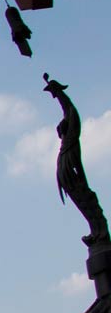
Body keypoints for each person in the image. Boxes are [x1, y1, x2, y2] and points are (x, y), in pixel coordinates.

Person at [44, 74, 110, 242]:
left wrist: (58, 92)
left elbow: (69, 109)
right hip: (68, 178)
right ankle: (96, 231)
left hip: (73, 177)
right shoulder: (64, 146)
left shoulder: (71, 140)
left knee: (87, 202)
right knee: (83, 205)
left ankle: (100, 232)